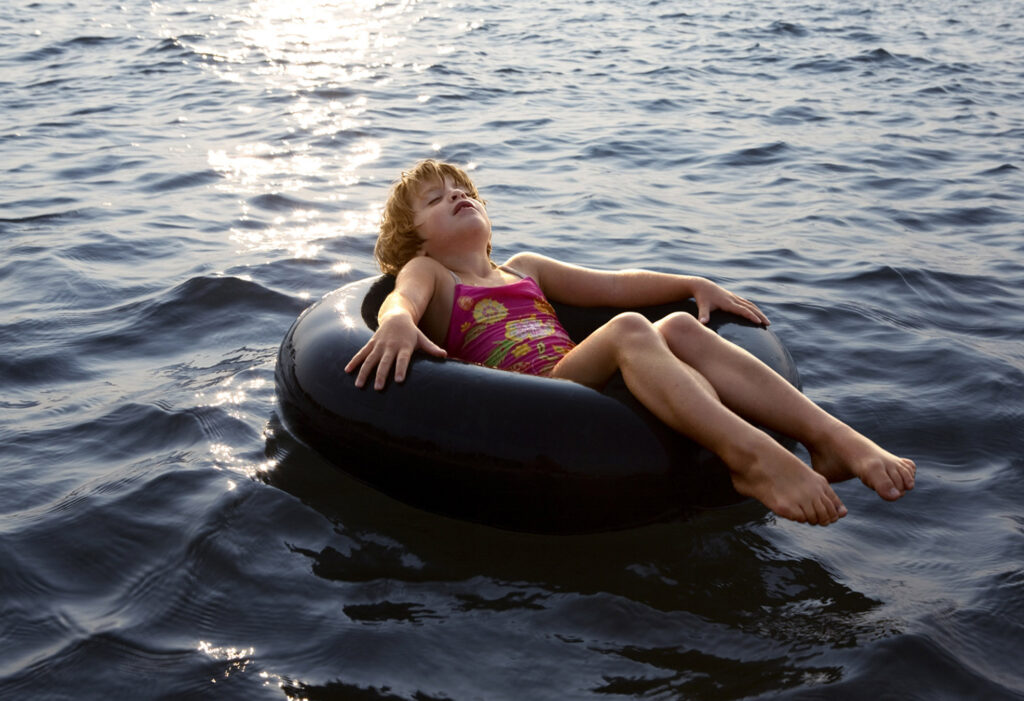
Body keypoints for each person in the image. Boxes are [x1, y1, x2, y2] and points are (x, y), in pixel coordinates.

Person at [345, 159, 916, 525]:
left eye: (462, 189)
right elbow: (403, 299)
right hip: (536, 394)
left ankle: (831, 437)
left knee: (677, 326)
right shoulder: (433, 275)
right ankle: (753, 458)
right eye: (435, 199)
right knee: (629, 329)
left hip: (576, 373)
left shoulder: (525, 269)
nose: (456, 197)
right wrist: (398, 321)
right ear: (412, 236)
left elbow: (617, 285)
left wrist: (692, 283)